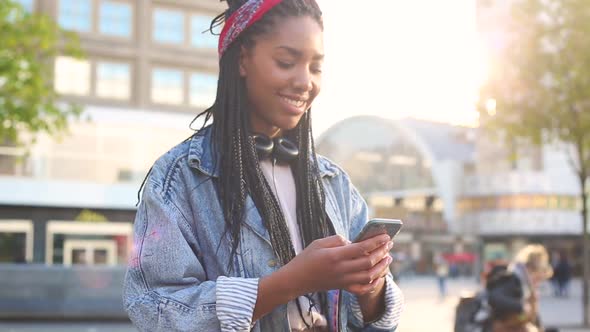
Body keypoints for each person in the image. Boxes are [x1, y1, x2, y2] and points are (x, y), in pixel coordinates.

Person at [123, 1, 404, 331]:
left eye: (315, 67)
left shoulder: (332, 182)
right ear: (243, 59)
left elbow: (374, 321)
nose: (304, 82)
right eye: (287, 62)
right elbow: (154, 309)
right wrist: (290, 282)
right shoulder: (180, 177)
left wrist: (372, 286)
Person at [486, 245, 553, 332]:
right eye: (538, 278)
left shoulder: (526, 286)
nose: (538, 283)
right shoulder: (513, 279)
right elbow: (494, 297)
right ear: (531, 270)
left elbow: (533, 318)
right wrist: (522, 306)